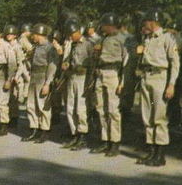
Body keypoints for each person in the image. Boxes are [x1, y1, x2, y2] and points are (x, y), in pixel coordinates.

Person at [135, 9, 180, 167]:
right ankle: (151, 151)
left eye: (146, 22)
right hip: (147, 77)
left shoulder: (167, 38)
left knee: (159, 117)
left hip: (160, 79)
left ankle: (160, 155)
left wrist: (171, 84)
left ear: (153, 22)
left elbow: (175, 63)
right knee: (148, 116)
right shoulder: (146, 38)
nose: (144, 24)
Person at [90, 13, 128, 157]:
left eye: (105, 25)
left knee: (113, 110)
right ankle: (105, 140)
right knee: (101, 109)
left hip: (113, 73)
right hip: (101, 72)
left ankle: (115, 142)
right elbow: (96, 57)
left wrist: (122, 82)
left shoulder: (122, 40)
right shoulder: (102, 39)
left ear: (111, 25)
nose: (102, 27)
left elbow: (126, 62)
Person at [21, 23, 58, 144]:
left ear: (40, 35)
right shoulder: (36, 47)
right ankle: (34, 129)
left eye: (35, 35)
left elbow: (52, 67)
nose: (33, 37)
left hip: (43, 77)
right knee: (31, 105)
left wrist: (48, 83)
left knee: (43, 105)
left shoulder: (50, 48)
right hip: (34, 77)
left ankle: (44, 131)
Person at [61, 21, 94, 150]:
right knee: (70, 107)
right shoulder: (72, 45)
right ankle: (74, 134)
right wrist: (66, 64)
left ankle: (82, 136)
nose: (70, 37)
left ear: (78, 32)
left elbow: (92, 63)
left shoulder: (87, 45)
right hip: (72, 76)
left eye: (72, 34)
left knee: (81, 107)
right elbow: (69, 60)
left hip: (82, 77)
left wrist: (90, 81)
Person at [5, 25, 25, 125]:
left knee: (13, 98)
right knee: (6, 97)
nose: (9, 35)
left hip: (15, 74)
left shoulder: (17, 47)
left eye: (11, 34)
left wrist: (16, 76)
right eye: (8, 34)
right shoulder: (5, 45)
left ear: (15, 36)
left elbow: (21, 63)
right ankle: (7, 117)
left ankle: (14, 118)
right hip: (6, 74)